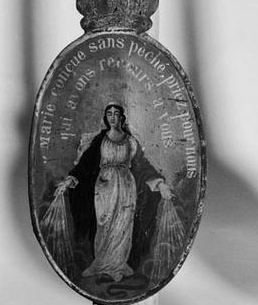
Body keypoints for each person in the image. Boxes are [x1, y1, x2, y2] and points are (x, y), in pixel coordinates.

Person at [56, 103, 172, 282]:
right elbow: (85, 164)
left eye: (116, 114)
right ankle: (100, 264)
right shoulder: (100, 141)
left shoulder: (130, 141)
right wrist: (69, 180)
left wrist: (160, 184)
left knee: (123, 225)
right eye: (109, 113)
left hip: (126, 187)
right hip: (104, 187)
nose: (112, 117)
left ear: (121, 117)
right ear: (105, 117)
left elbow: (143, 166)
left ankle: (119, 265)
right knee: (104, 224)